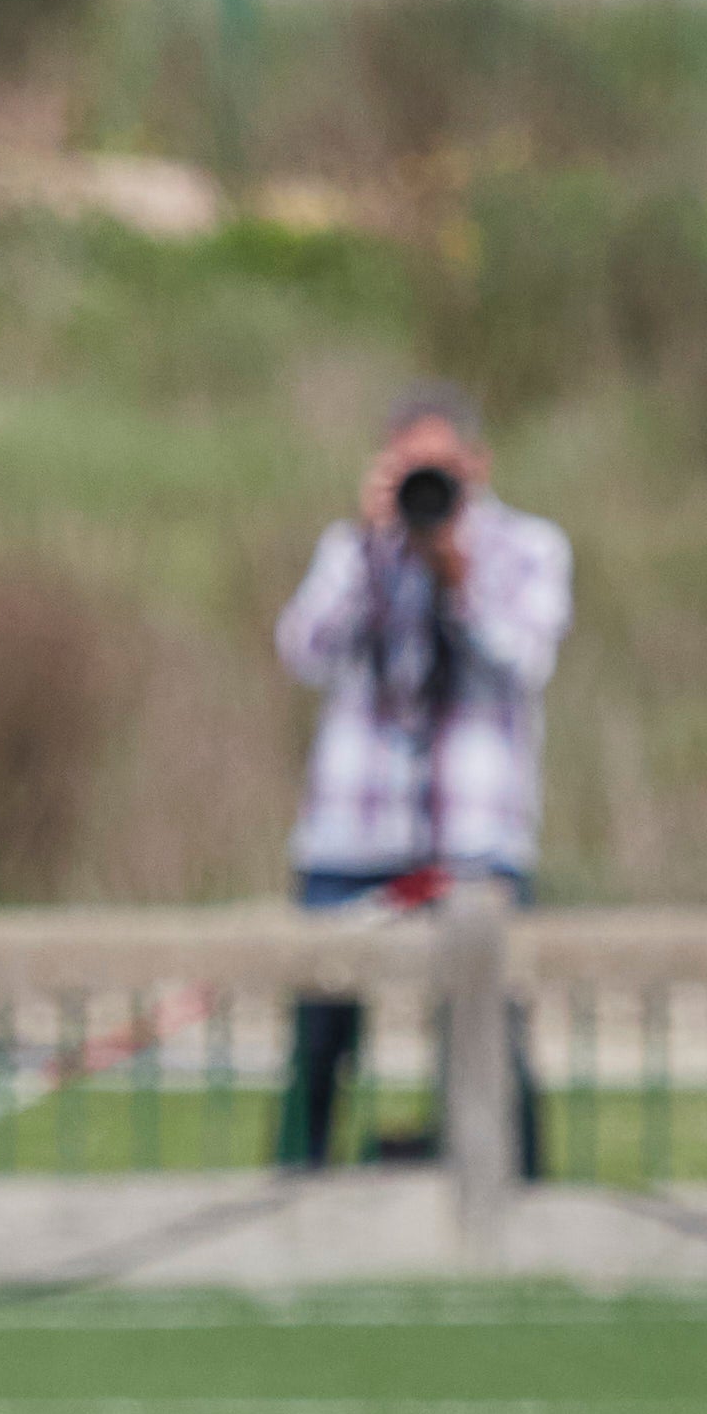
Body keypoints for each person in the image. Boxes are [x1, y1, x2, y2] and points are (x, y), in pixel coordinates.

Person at [270, 384, 571, 1169]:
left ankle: (519, 1197)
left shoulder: (526, 547)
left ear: (477, 465)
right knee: (318, 1034)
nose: (426, 491)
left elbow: (522, 661)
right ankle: (291, 1194)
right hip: (350, 830)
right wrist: (374, 554)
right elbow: (303, 651)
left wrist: (454, 577)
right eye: (408, 470)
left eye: (439, 472)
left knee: (489, 1027)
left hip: (474, 834)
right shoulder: (353, 550)